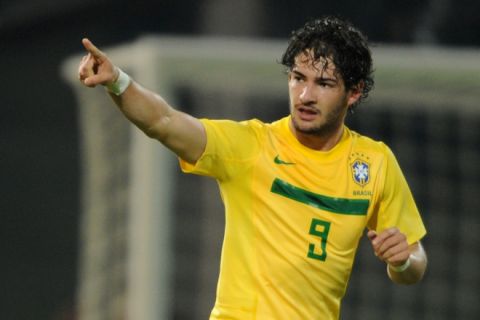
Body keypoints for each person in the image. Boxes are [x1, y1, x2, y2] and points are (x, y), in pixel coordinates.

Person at [78, 16, 427, 320]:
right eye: (297, 78)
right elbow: (164, 121)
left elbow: (414, 261)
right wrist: (118, 81)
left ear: (353, 93)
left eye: (323, 84)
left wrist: (401, 262)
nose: (305, 95)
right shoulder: (252, 147)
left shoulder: (375, 163)